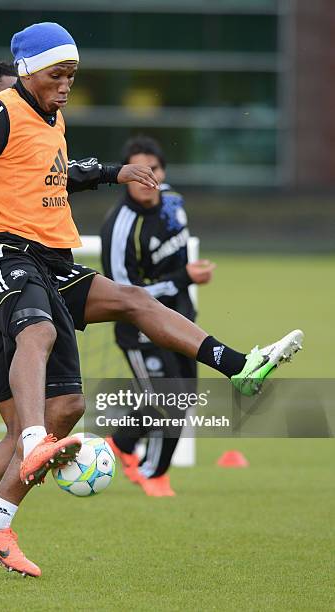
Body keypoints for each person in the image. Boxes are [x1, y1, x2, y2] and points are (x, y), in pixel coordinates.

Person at [0, 23, 303, 577]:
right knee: (35, 346)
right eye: (56, 75)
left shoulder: (51, 118)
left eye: (72, 75)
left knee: (104, 346)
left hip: (48, 261)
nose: (66, 85)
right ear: (25, 72)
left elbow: (55, 175)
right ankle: (24, 461)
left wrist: (114, 171)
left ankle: (237, 367)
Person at [101, 135, 214, 497]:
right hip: (139, 327)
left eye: (154, 170)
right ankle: (153, 474)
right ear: (126, 176)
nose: (147, 179)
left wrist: (189, 275)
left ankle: (121, 442)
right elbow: (123, 294)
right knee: (168, 401)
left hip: (181, 319)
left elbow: (177, 258)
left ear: (163, 173)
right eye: (138, 173)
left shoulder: (174, 202)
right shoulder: (120, 226)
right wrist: (184, 278)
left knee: (183, 400)